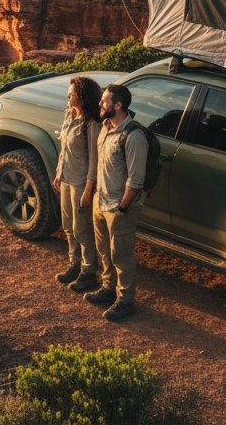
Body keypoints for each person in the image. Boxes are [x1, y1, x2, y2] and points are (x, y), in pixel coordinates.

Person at [86, 82, 147, 321]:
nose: (100, 104)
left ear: (118, 105)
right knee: (104, 251)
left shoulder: (134, 136)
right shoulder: (105, 127)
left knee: (121, 256)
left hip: (120, 208)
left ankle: (125, 300)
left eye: (104, 101)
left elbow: (136, 180)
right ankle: (107, 288)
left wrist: (122, 207)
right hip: (100, 202)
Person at [51, 77, 102, 292]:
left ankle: (88, 271)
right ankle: (74, 264)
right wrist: (58, 174)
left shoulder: (91, 125)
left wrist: (89, 189)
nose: (68, 96)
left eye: (72, 93)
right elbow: (65, 150)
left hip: (81, 183)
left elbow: (94, 159)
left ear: (82, 97)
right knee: (68, 225)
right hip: (67, 179)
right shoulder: (70, 117)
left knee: (82, 229)